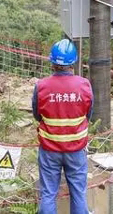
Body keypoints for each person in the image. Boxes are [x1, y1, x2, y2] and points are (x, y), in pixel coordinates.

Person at [32, 39, 93, 214]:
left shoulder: (41, 86)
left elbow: (37, 115)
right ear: (73, 62)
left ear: (52, 62)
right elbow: (88, 114)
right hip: (76, 149)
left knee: (49, 193)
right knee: (78, 194)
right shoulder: (84, 85)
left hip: (49, 150)